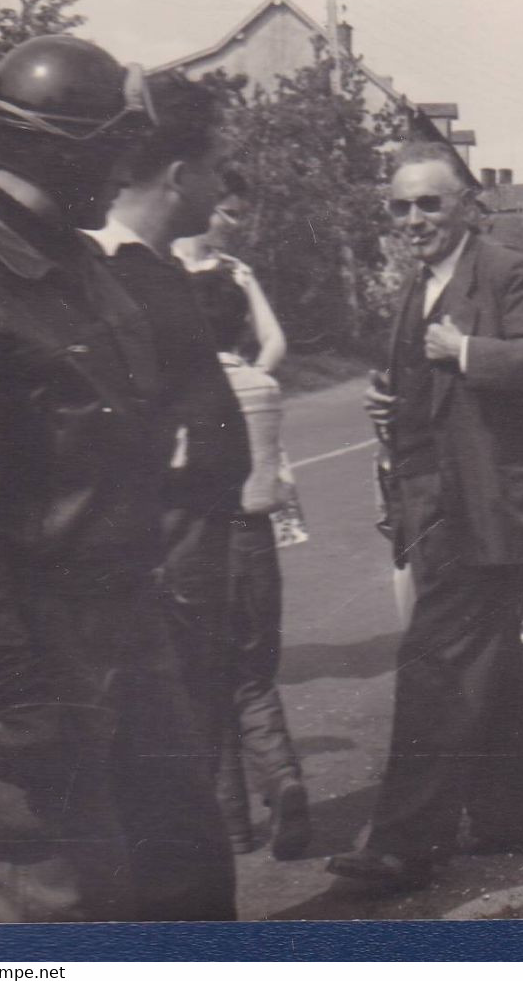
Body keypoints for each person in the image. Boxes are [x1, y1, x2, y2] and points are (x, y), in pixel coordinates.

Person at [0, 35, 233, 921]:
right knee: (54, 908)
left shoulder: (86, 271)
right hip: (23, 662)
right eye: (111, 147)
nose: (120, 173)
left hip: (127, 636)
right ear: (67, 149)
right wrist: (21, 698)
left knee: (185, 889)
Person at [328, 142, 523, 892]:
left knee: (435, 668)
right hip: (434, 510)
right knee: (488, 668)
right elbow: (432, 399)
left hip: (487, 514)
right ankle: (515, 821)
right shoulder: (418, 284)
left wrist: (469, 349)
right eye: (400, 207)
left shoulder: (502, 272)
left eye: (428, 204)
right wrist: (392, 402)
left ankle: (406, 844)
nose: (413, 220)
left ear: (466, 205)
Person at [83, 70, 253, 915]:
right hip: (171, 552)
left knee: (189, 749)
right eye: (217, 167)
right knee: (174, 758)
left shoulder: (149, 273)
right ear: (180, 175)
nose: (225, 186)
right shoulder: (118, 280)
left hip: (195, 538)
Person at [189, 270, 312, 859]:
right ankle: (285, 779)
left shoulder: (186, 390)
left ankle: (232, 825)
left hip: (204, 543)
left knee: (204, 685)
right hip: (258, 541)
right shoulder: (263, 386)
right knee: (254, 676)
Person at [173, 171, 287, 372]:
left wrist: (254, 376)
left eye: (239, 216)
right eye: (230, 214)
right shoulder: (160, 263)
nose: (236, 225)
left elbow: (273, 339)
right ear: (204, 207)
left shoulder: (236, 272)